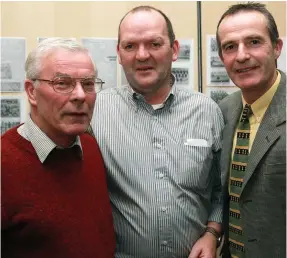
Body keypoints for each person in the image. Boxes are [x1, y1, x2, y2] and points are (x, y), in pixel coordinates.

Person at [93, 6, 224, 258]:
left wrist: (212, 233)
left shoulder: (207, 111)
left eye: (154, 43)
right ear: (119, 53)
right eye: (130, 46)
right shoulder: (96, 112)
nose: (142, 55)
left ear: (174, 50)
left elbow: (220, 190)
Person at [1, 38, 115, 258]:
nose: (80, 95)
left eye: (89, 84)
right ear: (31, 91)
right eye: (62, 83)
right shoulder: (4, 164)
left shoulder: (90, 148)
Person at [216, 2, 286, 258]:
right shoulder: (224, 111)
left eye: (254, 42)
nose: (242, 55)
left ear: (277, 47)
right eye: (230, 47)